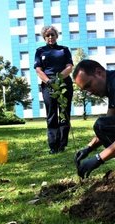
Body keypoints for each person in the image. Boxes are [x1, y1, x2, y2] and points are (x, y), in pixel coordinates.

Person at [34, 25, 74, 154]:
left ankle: (62, 145)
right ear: (44, 37)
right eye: (47, 35)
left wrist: (59, 79)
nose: (50, 37)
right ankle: (53, 145)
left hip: (63, 83)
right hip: (48, 84)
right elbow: (38, 69)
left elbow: (69, 67)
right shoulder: (40, 51)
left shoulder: (64, 50)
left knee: (64, 114)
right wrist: (49, 81)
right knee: (51, 115)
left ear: (56, 36)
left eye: (52, 34)